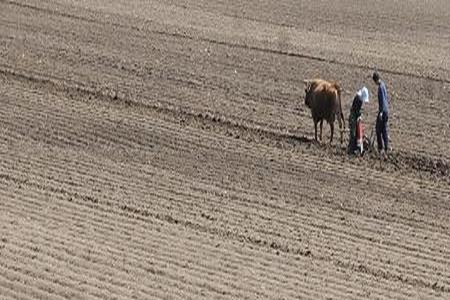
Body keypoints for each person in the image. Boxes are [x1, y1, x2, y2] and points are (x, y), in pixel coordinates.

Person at [348, 87, 369, 154]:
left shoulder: (358, 97)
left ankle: (355, 148)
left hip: (354, 117)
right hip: (353, 118)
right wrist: (359, 116)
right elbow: (356, 110)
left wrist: (359, 116)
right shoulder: (358, 99)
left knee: (356, 134)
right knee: (353, 134)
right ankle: (351, 150)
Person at [372, 72, 390, 153]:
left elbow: (382, 100)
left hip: (383, 111)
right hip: (386, 110)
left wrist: (381, 112)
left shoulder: (380, 87)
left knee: (378, 130)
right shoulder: (383, 85)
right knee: (384, 130)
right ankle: (386, 147)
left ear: (375, 80)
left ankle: (380, 148)